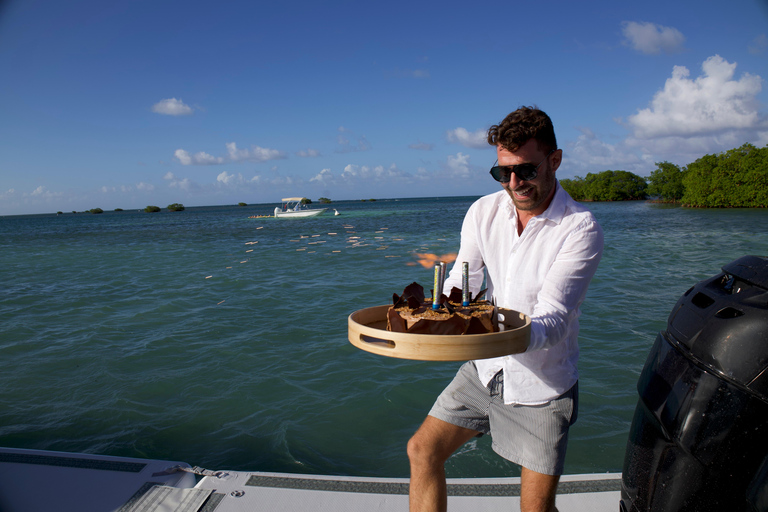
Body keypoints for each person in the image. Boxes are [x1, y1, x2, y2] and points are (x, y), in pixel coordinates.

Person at [407, 106, 604, 512]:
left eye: (527, 170)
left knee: (535, 509)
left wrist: (491, 333)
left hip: (542, 386)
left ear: (555, 160)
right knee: (422, 451)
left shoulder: (580, 228)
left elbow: (552, 322)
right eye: (503, 172)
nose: (514, 183)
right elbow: (465, 284)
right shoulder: (483, 211)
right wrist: (432, 311)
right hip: (484, 369)